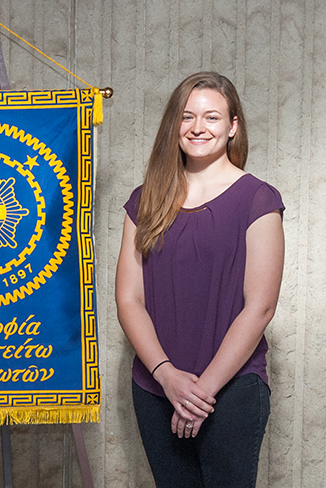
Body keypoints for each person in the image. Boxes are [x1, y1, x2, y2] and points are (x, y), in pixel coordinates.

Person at [115, 72, 284, 487]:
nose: (197, 127)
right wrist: (167, 376)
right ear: (174, 125)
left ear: (232, 127)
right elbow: (128, 299)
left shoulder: (258, 198)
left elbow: (259, 306)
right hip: (156, 386)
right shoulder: (144, 199)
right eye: (187, 116)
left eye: (211, 117)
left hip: (232, 389)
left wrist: (199, 393)